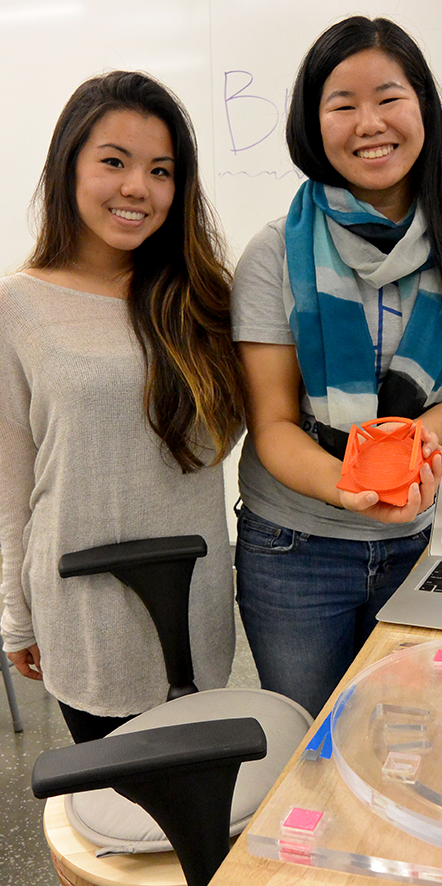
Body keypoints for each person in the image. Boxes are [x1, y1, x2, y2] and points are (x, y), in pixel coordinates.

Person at [232, 16, 442, 717]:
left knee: (409, 739)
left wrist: (402, 469)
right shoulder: (274, 252)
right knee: (308, 742)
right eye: (341, 104)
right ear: (314, 122)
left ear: (422, 104)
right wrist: (353, 487)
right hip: (293, 549)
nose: (369, 122)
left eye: (388, 97)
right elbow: (272, 424)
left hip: (419, 540)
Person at [0, 71, 246, 743]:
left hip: (193, 598)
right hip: (82, 604)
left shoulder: (202, 300)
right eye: (114, 161)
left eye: (161, 170)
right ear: (67, 166)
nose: (138, 187)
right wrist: (15, 617)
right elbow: (12, 483)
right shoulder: (16, 306)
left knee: (194, 795)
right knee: (114, 817)